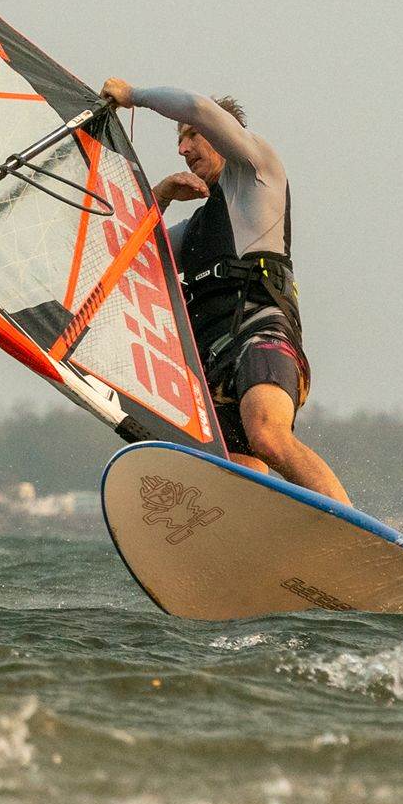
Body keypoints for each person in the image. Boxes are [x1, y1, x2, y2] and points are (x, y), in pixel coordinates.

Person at [98, 78, 350, 503]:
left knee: (268, 436)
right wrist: (161, 195)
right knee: (240, 474)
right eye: (179, 141)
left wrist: (133, 96)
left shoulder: (257, 173)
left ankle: (349, 524)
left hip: (260, 332)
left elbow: (197, 107)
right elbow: (127, 254)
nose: (183, 149)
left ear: (221, 132)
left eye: (191, 136)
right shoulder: (196, 229)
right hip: (214, 359)